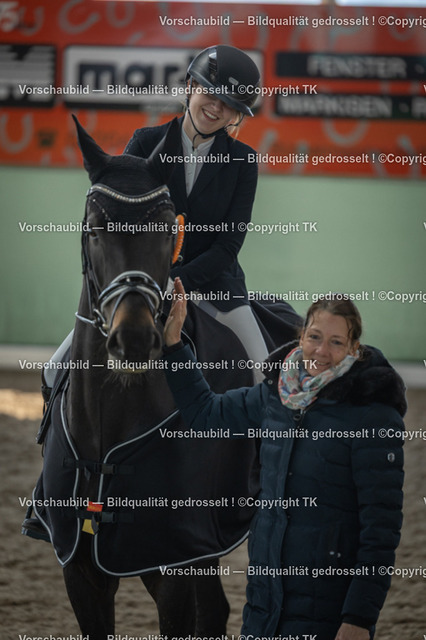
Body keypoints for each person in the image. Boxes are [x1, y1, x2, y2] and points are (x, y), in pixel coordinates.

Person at [162, 277, 406, 640]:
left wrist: (358, 617)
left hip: (328, 609)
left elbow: (380, 530)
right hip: (264, 604)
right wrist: (174, 345)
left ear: (354, 348)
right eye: (314, 337)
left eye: (336, 342)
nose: (321, 351)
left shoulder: (374, 416)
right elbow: (205, 414)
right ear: (301, 336)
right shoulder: (275, 396)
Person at [124, 44, 269, 380]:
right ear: (190, 86)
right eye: (211, 94)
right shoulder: (144, 144)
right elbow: (123, 225)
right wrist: (152, 277)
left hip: (217, 288)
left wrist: (176, 281)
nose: (216, 107)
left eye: (229, 104)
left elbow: (228, 246)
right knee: (58, 367)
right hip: (144, 280)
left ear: (236, 114)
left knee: (263, 375)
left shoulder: (244, 162)